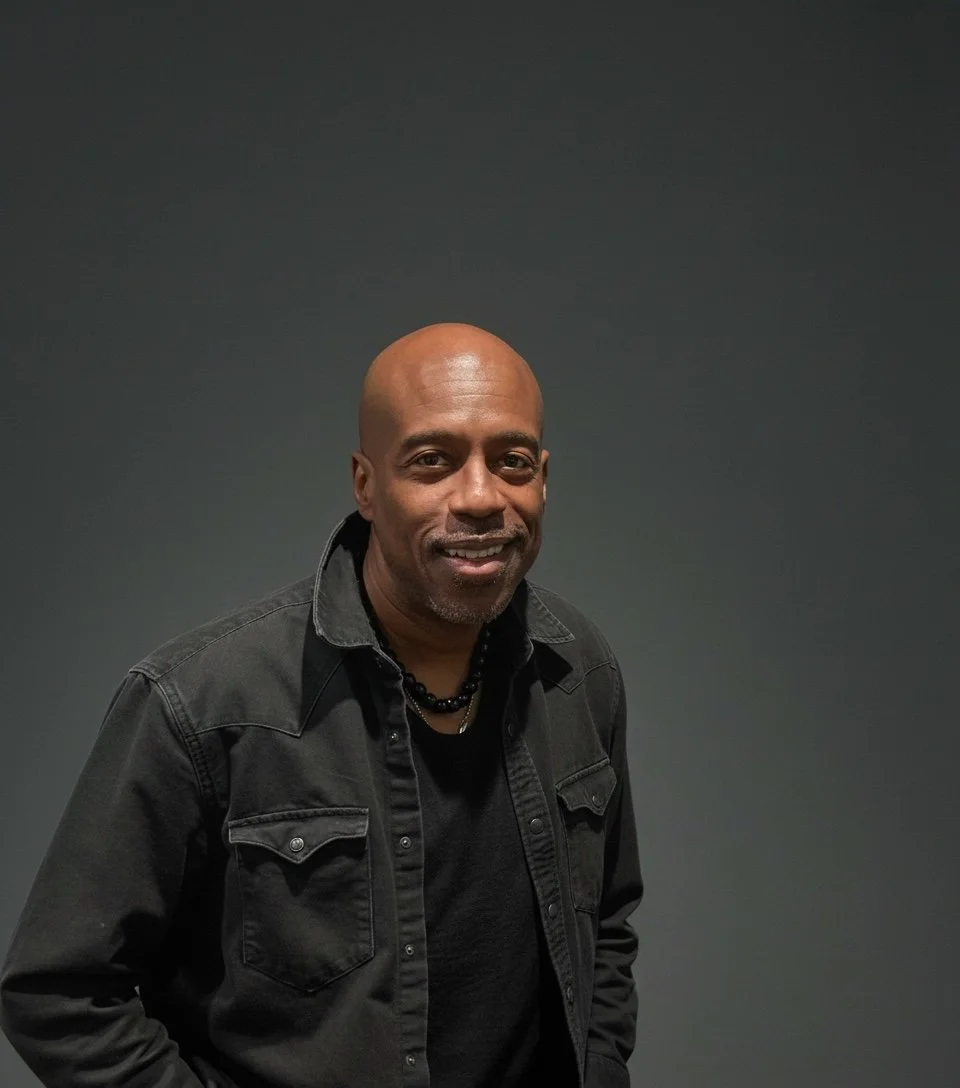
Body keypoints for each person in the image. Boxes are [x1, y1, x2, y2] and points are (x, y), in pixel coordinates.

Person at [1, 322, 643, 1088]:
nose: (480, 497)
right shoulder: (203, 702)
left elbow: (603, 927)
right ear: (366, 484)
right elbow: (61, 993)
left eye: (511, 462)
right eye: (432, 461)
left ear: (542, 477)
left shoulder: (578, 670)